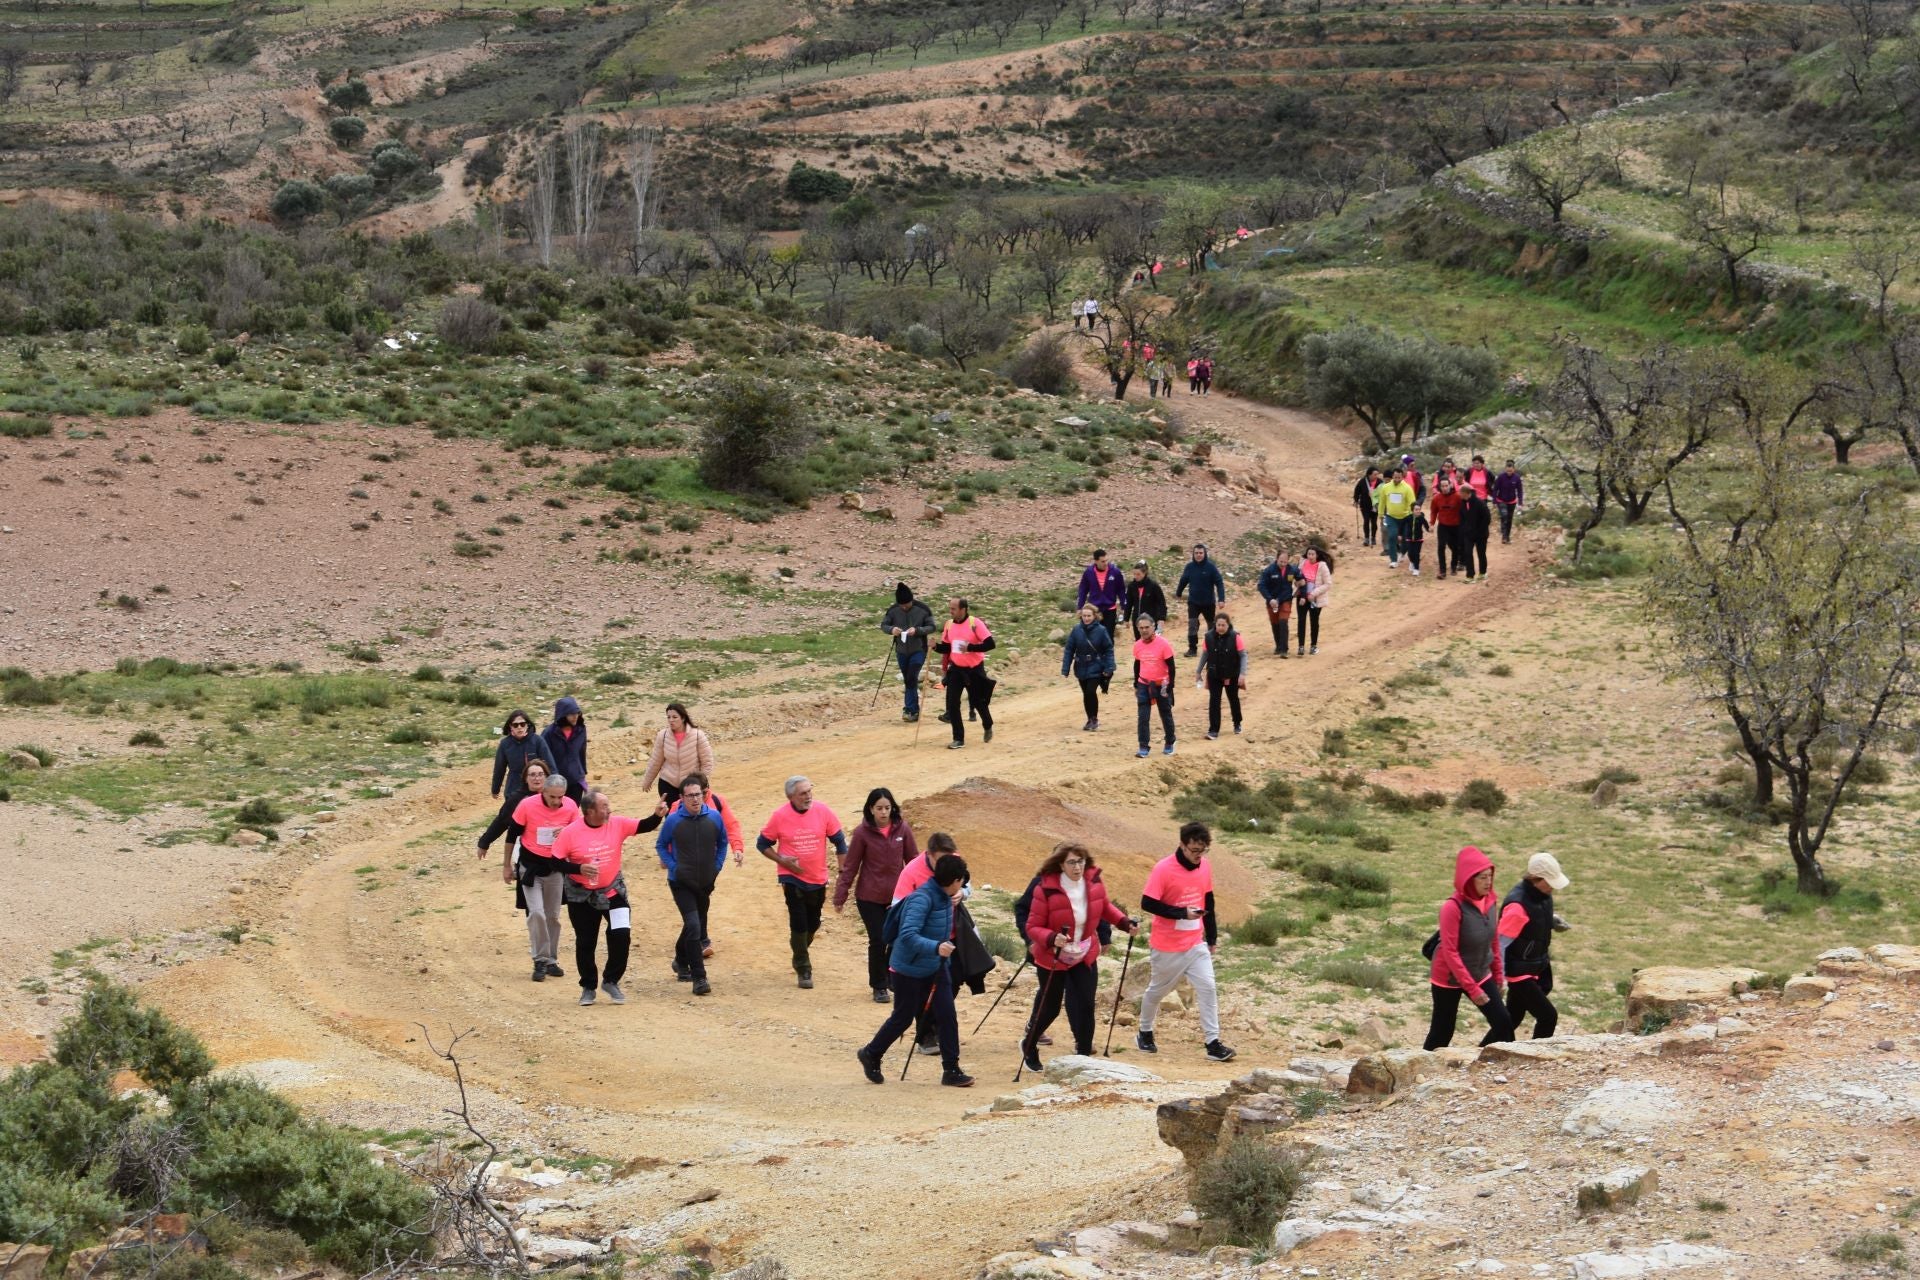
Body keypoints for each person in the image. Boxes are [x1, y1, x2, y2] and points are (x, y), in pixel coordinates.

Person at [855, 853, 975, 1088]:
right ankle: (871, 1053)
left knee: (947, 1016)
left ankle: (951, 1070)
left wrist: (941, 955)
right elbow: (908, 935)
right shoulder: (922, 899)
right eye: (962, 881)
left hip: (936, 967)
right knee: (903, 1018)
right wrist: (936, 947)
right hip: (907, 969)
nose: (963, 885)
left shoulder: (947, 897)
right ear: (954, 881)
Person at [1020, 843, 1136, 1069]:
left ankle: (1083, 1056)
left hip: (1083, 952)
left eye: (1081, 861)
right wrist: (1051, 937)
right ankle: (1029, 1044)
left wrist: (1124, 922)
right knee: (1050, 1007)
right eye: (1071, 862)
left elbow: (1104, 907)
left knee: (1085, 1004)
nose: (1077, 867)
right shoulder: (1045, 889)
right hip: (1053, 956)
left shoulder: (1093, 882)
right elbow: (1032, 926)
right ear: (1060, 864)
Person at [551, 789, 664, 1007]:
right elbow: (555, 861)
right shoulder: (570, 832)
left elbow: (644, 826)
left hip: (612, 891)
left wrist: (657, 815)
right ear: (590, 811)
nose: (609, 810)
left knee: (621, 935)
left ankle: (611, 980)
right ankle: (588, 987)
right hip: (581, 896)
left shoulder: (617, 823)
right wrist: (578, 868)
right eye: (604, 806)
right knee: (586, 941)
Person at [1136, 822, 1235, 1062]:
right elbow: (1147, 903)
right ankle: (1144, 1031)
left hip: (1195, 942)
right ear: (1182, 845)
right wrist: (1182, 913)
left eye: (1203, 850)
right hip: (1167, 946)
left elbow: (1208, 901)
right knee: (1157, 991)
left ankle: (1213, 1043)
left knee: (1208, 987)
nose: (1198, 855)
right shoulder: (1163, 869)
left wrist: (1211, 937)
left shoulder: (1205, 866)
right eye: (1194, 850)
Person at [757, 775, 847, 989]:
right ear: (791, 797)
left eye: (809, 791)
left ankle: (799, 948)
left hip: (817, 877)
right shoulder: (779, 816)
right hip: (792, 877)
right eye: (803, 793)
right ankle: (803, 968)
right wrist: (782, 860)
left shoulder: (823, 811)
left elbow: (840, 842)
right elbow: (762, 844)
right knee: (798, 921)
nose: (808, 796)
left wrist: (843, 871)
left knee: (813, 923)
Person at [1424, 845, 1516, 1049]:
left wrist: (1498, 975)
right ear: (1468, 879)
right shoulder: (1452, 907)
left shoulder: (1491, 901)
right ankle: (1420, 1067)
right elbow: (1450, 952)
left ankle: (1488, 1062)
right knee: (1442, 1032)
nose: (1488, 882)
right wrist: (1472, 989)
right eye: (1482, 877)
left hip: (1479, 971)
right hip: (1448, 977)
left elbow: (1494, 940)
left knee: (1503, 1023)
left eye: (1490, 876)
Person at [833, 787, 920, 1003]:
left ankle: (890, 975)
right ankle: (879, 986)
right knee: (878, 939)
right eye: (879, 808)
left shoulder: (903, 829)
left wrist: (922, 891)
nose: (883, 812)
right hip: (869, 897)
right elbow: (851, 866)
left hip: (898, 897)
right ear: (871, 809)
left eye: (887, 808)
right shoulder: (862, 833)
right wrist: (840, 895)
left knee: (898, 938)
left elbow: (914, 861)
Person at [655, 774, 729, 997]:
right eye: (690, 796)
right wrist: (674, 867)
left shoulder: (714, 817)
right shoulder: (673, 820)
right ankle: (699, 978)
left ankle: (680, 961)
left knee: (693, 924)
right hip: (681, 882)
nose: (695, 799)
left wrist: (717, 866)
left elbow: (722, 842)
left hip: (705, 882)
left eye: (698, 794)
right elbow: (661, 845)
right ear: (682, 798)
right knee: (695, 926)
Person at [506, 767, 577, 983]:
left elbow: (579, 834)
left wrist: (567, 832)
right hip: (530, 868)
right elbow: (511, 835)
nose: (556, 801)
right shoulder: (527, 805)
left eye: (560, 797)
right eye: (552, 797)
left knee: (553, 916)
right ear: (543, 792)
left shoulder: (571, 807)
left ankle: (551, 960)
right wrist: (506, 865)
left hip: (555, 869)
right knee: (537, 913)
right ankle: (539, 959)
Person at [1499, 853, 1569, 1040]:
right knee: (1548, 1016)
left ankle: (1483, 1051)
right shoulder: (1517, 906)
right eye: (1550, 882)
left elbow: (1534, 918)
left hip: (1534, 965)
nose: (1553, 887)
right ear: (1536, 879)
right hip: (1518, 972)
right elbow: (1500, 944)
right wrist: (1500, 978)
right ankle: (1537, 1053)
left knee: (1512, 1018)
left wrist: (1552, 921)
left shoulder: (1542, 895)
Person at [477, 710, 557, 860]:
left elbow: (551, 766)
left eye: (522, 724)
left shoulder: (537, 741)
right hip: (514, 788)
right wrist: (495, 788)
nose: (519, 727)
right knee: (514, 821)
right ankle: (518, 858)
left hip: (539, 789)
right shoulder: (505, 744)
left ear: (528, 725)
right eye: (515, 725)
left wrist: (555, 787)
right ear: (510, 727)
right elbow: (499, 768)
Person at [935, 598, 996, 749]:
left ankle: (987, 724)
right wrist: (935, 646)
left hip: (974, 669)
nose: (950, 611)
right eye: (950, 608)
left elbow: (990, 644)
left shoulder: (975, 623)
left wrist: (970, 648)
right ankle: (958, 739)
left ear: (963, 609)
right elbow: (947, 648)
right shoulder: (949, 625)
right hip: (956, 669)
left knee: (978, 701)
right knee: (952, 703)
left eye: (953, 609)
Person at [881, 581, 937, 724]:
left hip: (919, 649)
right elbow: (884, 625)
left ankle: (910, 709)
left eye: (907, 604)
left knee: (911, 676)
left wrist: (917, 630)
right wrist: (892, 630)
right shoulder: (893, 610)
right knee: (908, 679)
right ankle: (913, 710)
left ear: (912, 600)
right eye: (902, 605)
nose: (904, 607)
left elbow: (932, 626)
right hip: (901, 651)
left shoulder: (923, 609)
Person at [639, 703, 715, 802]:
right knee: (672, 812)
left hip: (692, 786)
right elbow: (656, 761)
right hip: (668, 784)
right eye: (668, 717)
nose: (671, 720)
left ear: (683, 718)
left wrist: (701, 784)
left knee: (693, 811)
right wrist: (648, 780)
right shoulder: (663, 736)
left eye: (674, 717)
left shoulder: (697, 735)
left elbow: (707, 762)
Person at [1062, 603, 1116, 732]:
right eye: (1084, 616)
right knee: (1086, 694)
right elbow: (1069, 649)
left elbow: (1108, 649)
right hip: (1080, 666)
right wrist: (1065, 668)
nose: (1086, 618)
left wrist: (1109, 667)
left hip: (1096, 665)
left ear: (1094, 616)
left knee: (1091, 692)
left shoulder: (1101, 630)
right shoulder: (1076, 630)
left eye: (1089, 616)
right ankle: (1090, 719)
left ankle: (1094, 719)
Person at [1132, 615, 1177, 759]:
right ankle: (1143, 746)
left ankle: (1170, 741)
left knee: (1165, 713)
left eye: (1147, 627)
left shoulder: (1163, 644)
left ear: (1153, 627)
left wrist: (1170, 685)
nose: (1144, 630)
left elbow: (1171, 666)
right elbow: (1137, 664)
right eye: (1141, 628)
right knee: (1143, 716)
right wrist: (1136, 684)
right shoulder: (1137, 645)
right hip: (1144, 684)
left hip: (1162, 684)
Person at [1197, 610, 1247, 739]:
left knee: (1233, 699)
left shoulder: (1235, 637)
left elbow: (1243, 655)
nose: (1220, 627)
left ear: (1228, 625)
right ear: (1215, 624)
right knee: (1214, 701)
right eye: (1218, 625)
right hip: (1214, 674)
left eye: (1223, 625)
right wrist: (1198, 671)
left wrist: (1242, 674)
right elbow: (1205, 655)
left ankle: (1237, 723)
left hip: (1232, 674)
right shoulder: (1208, 637)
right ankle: (1213, 730)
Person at [1175, 543, 1227, 657]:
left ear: (1205, 554)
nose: (1198, 555)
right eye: (1196, 553)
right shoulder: (1189, 567)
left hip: (1208, 602)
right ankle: (1192, 649)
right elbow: (1183, 580)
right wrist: (1178, 593)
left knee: (1211, 626)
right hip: (1193, 602)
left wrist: (1221, 599)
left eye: (1201, 553)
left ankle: (1212, 648)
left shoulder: (1211, 567)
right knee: (1192, 625)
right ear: (1193, 554)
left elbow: (1219, 583)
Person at [542, 697, 588, 802]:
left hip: (575, 781)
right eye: (571, 714)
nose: (575, 717)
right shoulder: (549, 733)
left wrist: (582, 773)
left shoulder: (581, 730)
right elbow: (543, 758)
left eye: (577, 713)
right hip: (556, 783)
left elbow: (582, 752)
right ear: (562, 715)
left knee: (572, 809)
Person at [1256, 550, 1298, 657]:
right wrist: (1270, 599)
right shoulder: (1269, 571)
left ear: (1288, 560)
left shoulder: (1292, 569)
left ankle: (1284, 649)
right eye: (1281, 562)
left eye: (1285, 562)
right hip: (1272, 602)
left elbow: (1301, 579)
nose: (1283, 564)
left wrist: (1301, 585)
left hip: (1285, 600)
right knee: (1275, 623)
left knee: (1283, 622)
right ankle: (1278, 646)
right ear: (1277, 559)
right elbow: (1261, 586)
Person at [1077, 549, 1127, 639]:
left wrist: (1124, 606)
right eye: (1103, 561)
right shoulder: (1089, 572)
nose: (1105, 563)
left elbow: (1121, 590)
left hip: (1110, 609)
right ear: (1096, 561)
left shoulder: (1115, 572)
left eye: (1106, 560)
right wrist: (1080, 607)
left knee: (1108, 636)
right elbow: (1083, 590)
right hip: (1094, 610)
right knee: (1094, 636)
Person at [1374, 468, 1417, 568]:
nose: (1397, 479)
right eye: (1395, 477)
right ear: (1392, 477)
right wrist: (1381, 514)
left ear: (1402, 477)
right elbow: (1382, 502)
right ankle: (1393, 560)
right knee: (1392, 536)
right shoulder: (1386, 487)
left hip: (1405, 517)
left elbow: (1412, 503)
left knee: (1406, 538)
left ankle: (1402, 552)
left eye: (1399, 477)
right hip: (1391, 517)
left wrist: (1414, 516)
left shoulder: (1407, 488)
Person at [1295, 547, 1330, 655]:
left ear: (1317, 555)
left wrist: (1313, 594)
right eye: (1309, 554)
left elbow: (1328, 584)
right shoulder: (1302, 563)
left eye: (1312, 554)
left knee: (1314, 622)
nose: (1310, 556)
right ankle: (1301, 646)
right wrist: (1296, 585)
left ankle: (1313, 646)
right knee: (1301, 621)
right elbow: (1297, 577)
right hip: (1302, 597)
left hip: (1315, 599)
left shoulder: (1322, 566)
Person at [1429, 477, 1464, 580]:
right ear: (1439, 487)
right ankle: (1442, 570)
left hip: (1456, 526)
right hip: (1443, 526)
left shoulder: (1458, 497)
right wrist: (1432, 523)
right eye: (1442, 486)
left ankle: (1453, 566)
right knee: (1441, 547)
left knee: (1455, 547)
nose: (1444, 488)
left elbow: (1464, 510)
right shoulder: (1436, 498)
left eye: (1446, 486)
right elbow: (1433, 511)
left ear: (1450, 485)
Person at [1124, 559, 1168, 630]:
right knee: (1139, 637)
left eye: (1138, 574)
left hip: (1151, 620)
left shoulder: (1153, 585)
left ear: (1144, 573)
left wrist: (1161, 618)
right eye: (1134, 574)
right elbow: (1129, 603)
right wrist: (1126, 618)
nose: (1136, 576)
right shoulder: (1131, 586)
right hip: (1137, 621)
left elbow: (1161, 602)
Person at [1462, 486, 1492, 582]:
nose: (1460, 495)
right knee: (1468, 553)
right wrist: (1464, 529)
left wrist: (1480, 530)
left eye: (1462, 493)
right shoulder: (1463, 503)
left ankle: (1482, 573)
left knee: (1481, 553)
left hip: (1481, 534)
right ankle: (1470, 575)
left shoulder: (1480, 503)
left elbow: (1487, 518)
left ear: (1467, 493)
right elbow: (1462, 517)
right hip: (1468, 534)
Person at [1491, 460, 1524, 544]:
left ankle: (1507, 537)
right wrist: (1494, 501)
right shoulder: (1501, 477)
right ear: (1505, 469)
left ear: (1514, 469)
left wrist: (1520, 503)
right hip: (1501, 500)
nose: (1509, 472)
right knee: (1504, 515)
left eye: (1511, 471)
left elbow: (1520, 491)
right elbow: (1495, 489)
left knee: (1509, 519)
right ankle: (1504, 534)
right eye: (1507, 470)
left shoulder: (1517, 478)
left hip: (1512, 501)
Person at [1352, 467, 1381, 547]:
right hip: (1365, 505)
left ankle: (1373, 537)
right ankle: (1367, 538)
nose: (1376, 476)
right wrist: (1356, 500)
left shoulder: (1379, 482)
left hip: (1375, 505)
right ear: (1369, 474)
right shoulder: (1362, 482)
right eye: (1374, 474)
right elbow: (1357, 491)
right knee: (1366, 520)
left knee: (1374, 522)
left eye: (1377, 474)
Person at [1404, 505, 1429, 577]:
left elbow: (1426, 526)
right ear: (1412, 510)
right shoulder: (1408, 518)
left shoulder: (1421, 518)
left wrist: (1429, 529)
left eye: (1419, 509)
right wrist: (1399, 534)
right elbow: (1402, 525)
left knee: (1416, 553)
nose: (1418, 511)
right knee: (1410, 553)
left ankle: (1416, 569)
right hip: (1409, 538)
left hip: (1418, 539)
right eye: (1416, 509)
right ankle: (1412, 562)